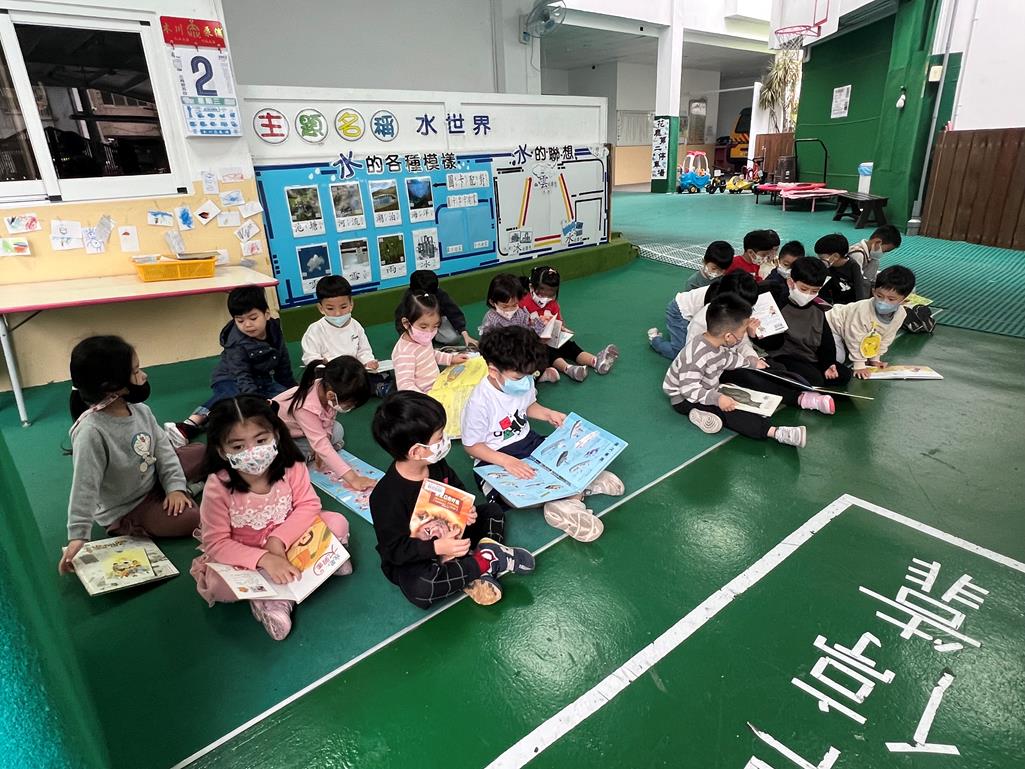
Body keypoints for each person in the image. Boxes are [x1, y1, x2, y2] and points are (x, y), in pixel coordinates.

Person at [190, 396, 352, 640]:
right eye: (238, 447)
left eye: (260, 440)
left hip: (290, 536)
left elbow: (309, 505)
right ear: (222, 451)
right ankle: (273, 601)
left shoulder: (291, 465)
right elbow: (217, 543)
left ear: (275, 435)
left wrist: (278, 541)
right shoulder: (218, 485)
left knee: (337, 523)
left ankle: (304, 572)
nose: (252, 452)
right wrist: (265, 558)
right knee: (218, 584)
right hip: (246, 552)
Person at [369, 391, 535, 608]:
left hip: (454, 534)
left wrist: (467, 510)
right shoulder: (385, 497)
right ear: (416, 452)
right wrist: (437, 548)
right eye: (439, 437)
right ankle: (485, 561)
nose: (445, 440)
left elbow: (457, 489)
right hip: (421, 556)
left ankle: (474, 569)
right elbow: (394, 550)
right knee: (421, 588)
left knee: (493, 512)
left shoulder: (435, 464)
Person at [59, 336, 203, 575]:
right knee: (191, 518)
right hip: (129, 507)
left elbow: (164, 452)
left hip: (152, 478)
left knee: (200, 451)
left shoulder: (141, 410)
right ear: (111, 386)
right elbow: (85, 486)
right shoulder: (91, 432)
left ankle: (185, 488)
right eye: (135, 371)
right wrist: (77, 536)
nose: (143, 375)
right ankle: (188, 490)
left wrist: (175, 488)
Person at [461, 326, 618, 542]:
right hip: (494, 457)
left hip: (529, 441)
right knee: (515, 495)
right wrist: (507, 461)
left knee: (567, 452)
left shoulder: (521, 381)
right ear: (493, 371)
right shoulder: (479, 402)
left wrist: (548, 414)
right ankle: (570, 496)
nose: (526, 380)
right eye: (519, 376)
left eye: (529, 374)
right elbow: (471, 446)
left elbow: (528, 406)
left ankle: (572, 493)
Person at [662, 295, 807, 447]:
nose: (744, 335)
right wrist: (717, 398)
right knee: (730, 411)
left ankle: (704, 411)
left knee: (739, 393)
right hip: (683, 398)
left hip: (707, 387)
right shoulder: (696, 356)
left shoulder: (717, 344)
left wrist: (751, 362)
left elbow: (728, 359)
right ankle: (776, 432)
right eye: (743, 331)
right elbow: (688, 389)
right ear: (729, 336)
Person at [166, 285, 296, 446]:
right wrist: (256, 402)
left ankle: (222, 416)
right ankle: (189, 424)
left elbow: (283, 366)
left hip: (261, 380)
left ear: (267, 314)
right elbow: (242, 376)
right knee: (232, 397)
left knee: (286, 399)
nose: (247, 325)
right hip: (229, 377)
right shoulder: (236, 343)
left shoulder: (275, 330)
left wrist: (294, 391)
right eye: (240, 320)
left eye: (253, 318)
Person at [272, 356, 378, 489]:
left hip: (302, 432)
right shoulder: (305, 407)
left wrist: (325, 439)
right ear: (331, 396)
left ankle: (313, 453)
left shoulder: (328, 389)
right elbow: (321, 445)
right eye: (349, 405)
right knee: (293, 460)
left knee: (337, 429)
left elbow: (329, 421)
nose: (349, 408)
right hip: (279, 438)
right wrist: (353, 478)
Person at [761, 257, 853, 387]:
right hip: (784, 356)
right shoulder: (777, 305)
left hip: (808, 357)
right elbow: (770, 343)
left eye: (815, 291)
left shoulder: (818, 310)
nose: (808, 294)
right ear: (791, 283)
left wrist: (828, 364)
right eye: (804, 289)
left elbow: (826, 341)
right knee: (814, 379)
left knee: (844, 374)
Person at [519, 265, 619, 381]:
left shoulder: (553, 304)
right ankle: (568, 369)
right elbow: (520, 325)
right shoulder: (523, 303)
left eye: (551, 293)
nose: (546, 297)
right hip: (534, 342)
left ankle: (596, 361)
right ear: (532, 287)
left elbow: (559, 320)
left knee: (570, 346)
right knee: (549, 352)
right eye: (542, 292)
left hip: (552, 337)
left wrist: (561, 328)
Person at [301, 275, 391, 397]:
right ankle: (360, 390)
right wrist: (323, 363)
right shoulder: (315, 330)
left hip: (354, 370)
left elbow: (363, 350)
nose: (338, 313)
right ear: (321, 308)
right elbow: (310, 358)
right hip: (330, 373)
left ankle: (369, 387)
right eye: (330, 309)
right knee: (321, 383)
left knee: (382, 374)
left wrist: (368, 361)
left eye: (343, 307)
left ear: (351, 304)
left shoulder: (355, 325)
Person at [827, 265, 915, 380]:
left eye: (891, 299)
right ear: (873, 291)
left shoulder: (901, 314)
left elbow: (886, 338)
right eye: (879, 296)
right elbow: (854, 337)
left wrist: (875, 359)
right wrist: (859, 365)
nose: (883, 302)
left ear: (904, 300)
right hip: (831, 326)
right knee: (838, 358)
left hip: (846, 335)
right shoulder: (863, 310)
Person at [479, 273, 560, 382]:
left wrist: (541, 323)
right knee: (505, 372)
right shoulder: (491, 319)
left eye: (514, 305)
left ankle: (536, 376)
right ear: (492, 302)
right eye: (505, 306)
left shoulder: (521, 313)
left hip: (521, 354)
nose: (509, 310)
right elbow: (488, 345)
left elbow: (529, 331)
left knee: (540, 354)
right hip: (504, 357)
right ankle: (533, 378)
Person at [392, 291, 470, 394]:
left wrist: (451, 358)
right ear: (406, 323)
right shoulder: (404, 353)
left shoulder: (420, 338)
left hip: (436, 385)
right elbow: (405, 386)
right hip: (424, 396)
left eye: (435, 326)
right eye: (423, 327)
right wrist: (426, 399)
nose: (429, 332)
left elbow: (430, 354)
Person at [393, 269, 476, 349]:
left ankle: (433, 333)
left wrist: (465, 335)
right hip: (418, 324)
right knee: (416, 342)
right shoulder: (408, 299)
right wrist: (408, 338)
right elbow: (400, 321)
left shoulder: (440, 294)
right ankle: (425, 333)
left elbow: (454, 312)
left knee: (453, 338)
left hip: (437, 321)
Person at [648, 282, 713, 360]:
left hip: (692, 310)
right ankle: (655, 339)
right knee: (679, 353)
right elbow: (695, 327)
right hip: (678, 311)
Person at [816, 233, 867, 306]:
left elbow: (859, 292)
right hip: (832, 303)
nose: (820, 261)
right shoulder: (827, 266)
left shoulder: (853, 267)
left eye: (822, 258)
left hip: (849, 305)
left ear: (835, 256)